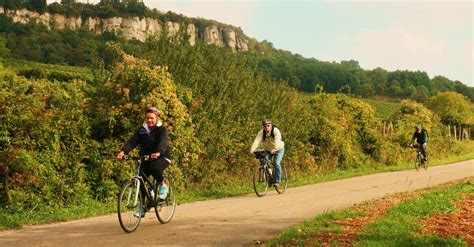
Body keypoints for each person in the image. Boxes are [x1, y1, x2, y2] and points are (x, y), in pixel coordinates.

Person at [116, 106, 171, 217]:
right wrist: (123, 151)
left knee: (154, 168)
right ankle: (143, 206)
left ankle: (162, 185)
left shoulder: (162, 129)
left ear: (156, 118)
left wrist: (159, 152)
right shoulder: (142, 130)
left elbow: (163, 142)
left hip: (162, 157)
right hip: (146, 158)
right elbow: (133, 141)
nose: (149, 120)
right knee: (140, 180)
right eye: (147, 118)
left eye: (152, 118)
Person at [250, 119, 285, 185]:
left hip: (279, 149)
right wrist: (252, 149)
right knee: (263, 160)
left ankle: (277, 180)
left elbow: (277, 139)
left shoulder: (275, 130)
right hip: (269, 150)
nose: (266, 127)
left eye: (268, 125)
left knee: (276, 162)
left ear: (271, 125)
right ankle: (270, 175)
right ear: (263, 127)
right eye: (265, 126)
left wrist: (275, 148)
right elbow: (257, 140)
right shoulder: (262, 132)